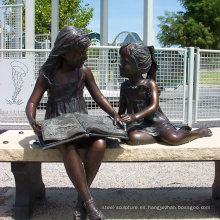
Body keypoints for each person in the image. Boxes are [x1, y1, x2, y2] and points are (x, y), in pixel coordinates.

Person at [26, 26, 122, 220]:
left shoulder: (84, 72)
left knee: (100, 142)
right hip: (58, 123)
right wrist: (31, 118)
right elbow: (32, 101)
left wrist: (114, 114)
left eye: (85, 52)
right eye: (80, 53)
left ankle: (81, 200)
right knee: (69, 147)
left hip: (81, 123)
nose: (85, 57)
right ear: (64, 52)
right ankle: (89, 204)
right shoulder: (48, 73)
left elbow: (99, 97)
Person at [118, 42, 212, 146]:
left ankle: (198, 132)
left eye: (124, 62)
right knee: (133, 139)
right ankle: (162, 137)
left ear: (139, 65)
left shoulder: (149, 84)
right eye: (121, 60)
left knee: (174, 138)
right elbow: (121, 111)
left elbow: (154, 106)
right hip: (137, 125)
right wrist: (118, 121)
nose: (120, 64)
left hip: (157, 123)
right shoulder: (124, 86)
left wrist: (134, 116)